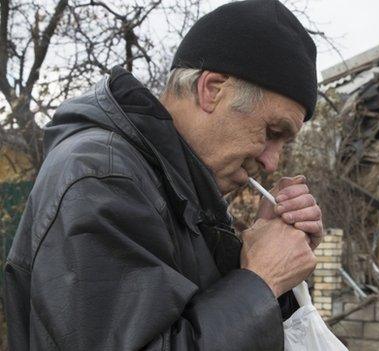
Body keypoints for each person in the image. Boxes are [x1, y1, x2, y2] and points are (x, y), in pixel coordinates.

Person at [4, 0, 323, 350]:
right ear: (213, 90)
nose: (272, 163)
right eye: (272, 131)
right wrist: (262, 279)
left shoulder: (175, 191)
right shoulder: (103, 176)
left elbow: (193, 317)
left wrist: (268, 256)